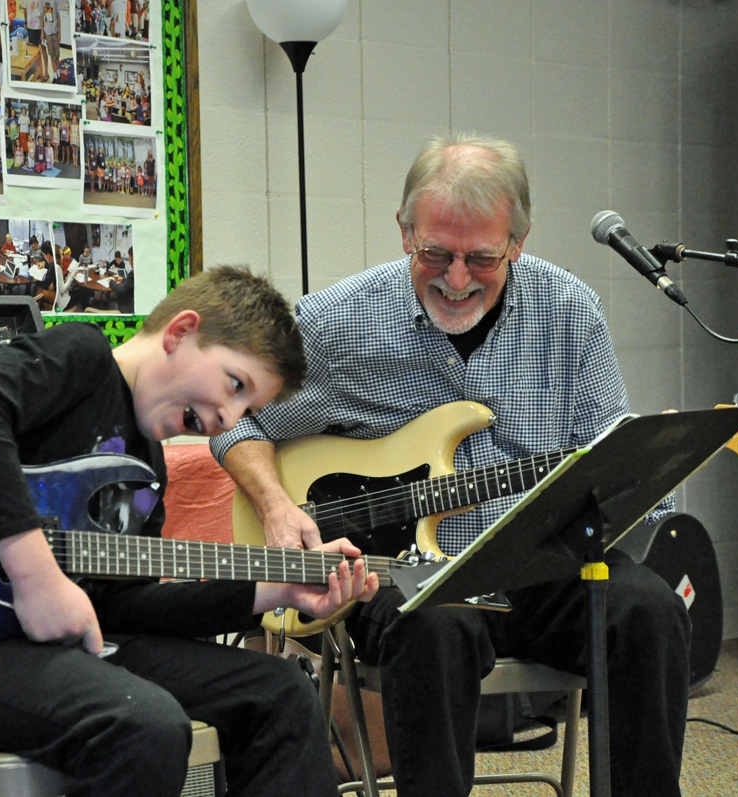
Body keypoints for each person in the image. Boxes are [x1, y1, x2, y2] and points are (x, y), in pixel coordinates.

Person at [211, 134, 689, 797]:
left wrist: (646, 483)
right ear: (404, 231)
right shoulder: (339, 321)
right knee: (435, 624)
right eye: (435, 252)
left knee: (649, 609)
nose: (456, 278)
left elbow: (609, 450)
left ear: (517, 243)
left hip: (540, 569)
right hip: (404, 576)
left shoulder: (570, 312)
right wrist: (275, 503)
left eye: (482, 257)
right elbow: (233, 412)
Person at [0, 266, 377, 797]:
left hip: (54, 659)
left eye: (248, 409)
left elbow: (121, 608)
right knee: (145, 724)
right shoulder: (84, 358)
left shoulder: (146, 472)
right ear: (180, 332)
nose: (230, 418)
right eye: (234, 384)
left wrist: (273, 593)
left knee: (279, 692)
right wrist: (36, 575)